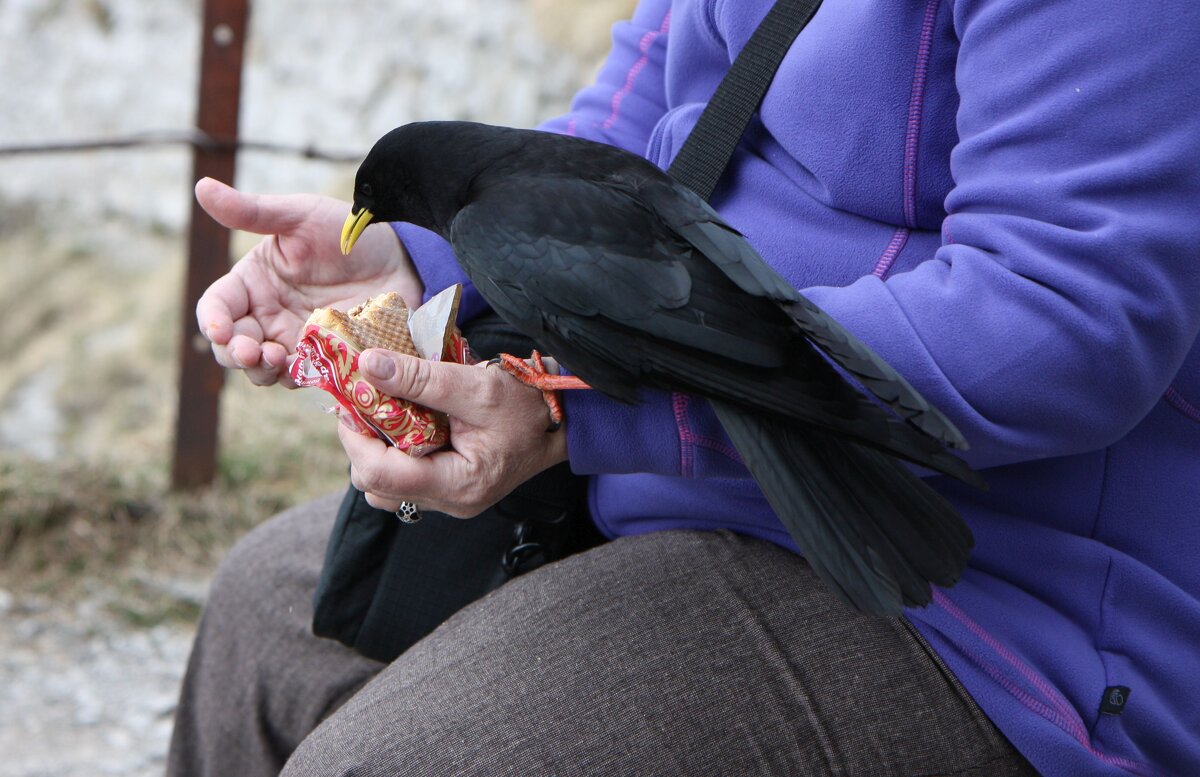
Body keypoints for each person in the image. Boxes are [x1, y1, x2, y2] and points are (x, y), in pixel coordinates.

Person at [167, 0, 1200, 774]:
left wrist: (585, 406)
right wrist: (438, 270)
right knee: (265, 618)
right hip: (688, 473)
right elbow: (610, 160)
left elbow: (1067, 316)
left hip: (989, 588)